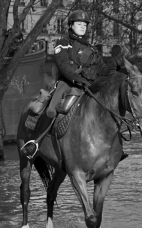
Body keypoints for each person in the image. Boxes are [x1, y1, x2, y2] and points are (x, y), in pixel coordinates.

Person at [21, 9, 116, 158]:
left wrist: (115, 67)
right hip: (67, 84)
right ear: (71, 25)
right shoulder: (63, 43)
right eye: (79, 24)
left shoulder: (91, 48)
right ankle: (36, 142)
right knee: (52, 109)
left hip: (89, 86)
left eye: (85, 24)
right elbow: (63, 65)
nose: (83, 26)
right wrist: (77, 79)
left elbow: (102, 69)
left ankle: (113, 147)